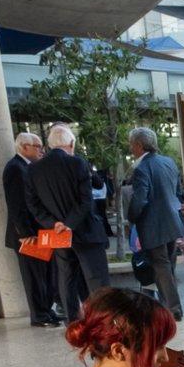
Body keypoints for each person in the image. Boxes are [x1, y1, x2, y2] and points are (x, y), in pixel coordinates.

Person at [25, 124, 112, 323]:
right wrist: (68, 223)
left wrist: (53, 224)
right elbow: (86, 200)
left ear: (50, 144)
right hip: (85, 231)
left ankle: (72, 322)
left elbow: (33, 204)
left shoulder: (34, 169)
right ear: (71, 142)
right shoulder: (77, 163)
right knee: (96, 279)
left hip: (57, 235)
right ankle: (103, 322)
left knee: (66, 279)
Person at [127, 127, 184, 321]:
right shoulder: (168, 162)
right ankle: (169, 307)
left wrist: (132, 217)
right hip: (172, 222)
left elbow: (140, 199)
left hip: (153, 226)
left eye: (131, 144)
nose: (130, 148)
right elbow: (177, 192)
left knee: (161, 268)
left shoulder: (142, 168)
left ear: (139, 145)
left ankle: (173, 310)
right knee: (167, 268)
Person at [2, 132, 59, 327]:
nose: (41, 150)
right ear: (24, 147)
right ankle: (39, 315)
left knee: (47, 274)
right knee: (34, 276)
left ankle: (47, 310)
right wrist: (26, 233)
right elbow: (16, 205)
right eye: (37, 146)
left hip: (41, 232)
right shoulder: (15, 168)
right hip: (27, 235)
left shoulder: (30, 167)